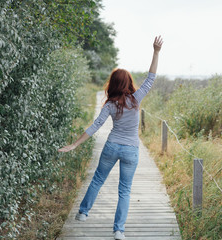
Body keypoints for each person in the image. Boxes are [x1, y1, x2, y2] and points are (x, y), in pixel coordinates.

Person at [58, 36, 163, 240]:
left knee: (97, 179)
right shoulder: (136, 99)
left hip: (112, 146)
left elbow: (95, 126)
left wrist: (74, 144)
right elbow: (151, 78)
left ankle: (83, 213)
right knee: (124, 190)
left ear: (113, 84)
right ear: (129, 83)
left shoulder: (109, 105)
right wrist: (156, 52)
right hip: (131, 150)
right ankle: (118, 230)